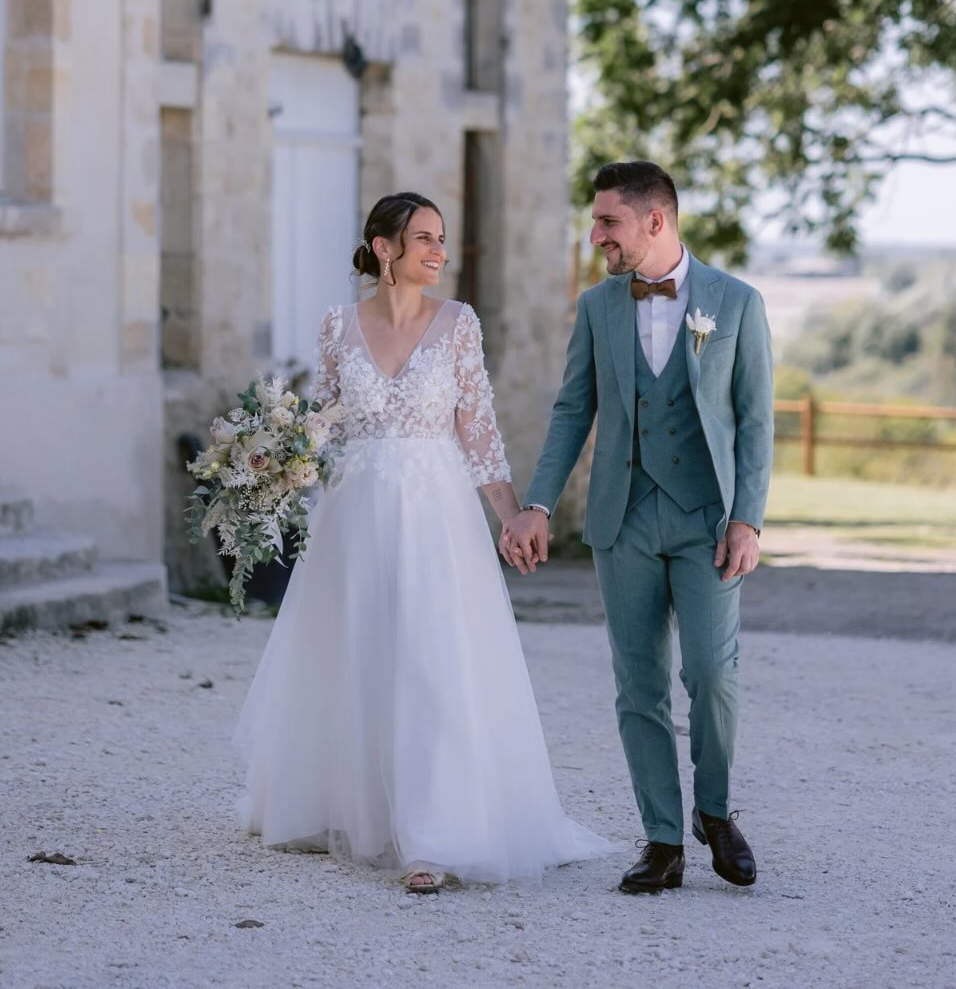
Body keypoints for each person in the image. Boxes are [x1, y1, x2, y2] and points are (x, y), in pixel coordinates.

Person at [235, 191, 612, 893]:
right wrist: (268, 466)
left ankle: (431, 837)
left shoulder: (458, 324)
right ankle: (353, 807)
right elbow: (320, 426)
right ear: (385, 249)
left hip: (437, 515)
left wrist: (511, 514)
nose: (440, 251)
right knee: (358, 655)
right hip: (355, 514)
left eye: (442, 239)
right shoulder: (337, 326)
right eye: (425, 239)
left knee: (431, 662)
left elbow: (479, 432)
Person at [502, 160, 774, 897]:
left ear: (655, 221)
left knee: (712, 674)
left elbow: (755, 421)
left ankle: (714, 813)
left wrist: (747, 518)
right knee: (638, 685)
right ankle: (661, 839)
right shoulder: (597, 307)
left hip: (708, 520)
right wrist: (537, 502)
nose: (595, 237)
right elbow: (571, 410)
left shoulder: (738, 303)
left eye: (607, 222)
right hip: (621, 519)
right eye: (595, 222)